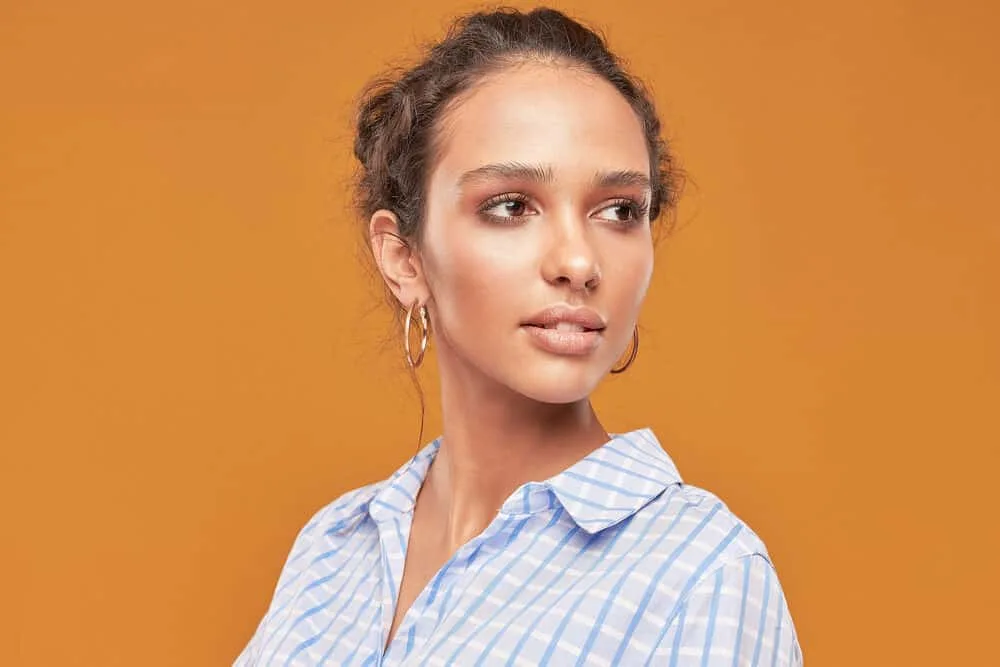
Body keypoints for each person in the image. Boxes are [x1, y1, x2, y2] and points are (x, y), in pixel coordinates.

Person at [234, 6, 802, 666]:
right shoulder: (333, 547)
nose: (579, 262)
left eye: (619, 211)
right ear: (404, 258)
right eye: (512, 206)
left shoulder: (702, 574)